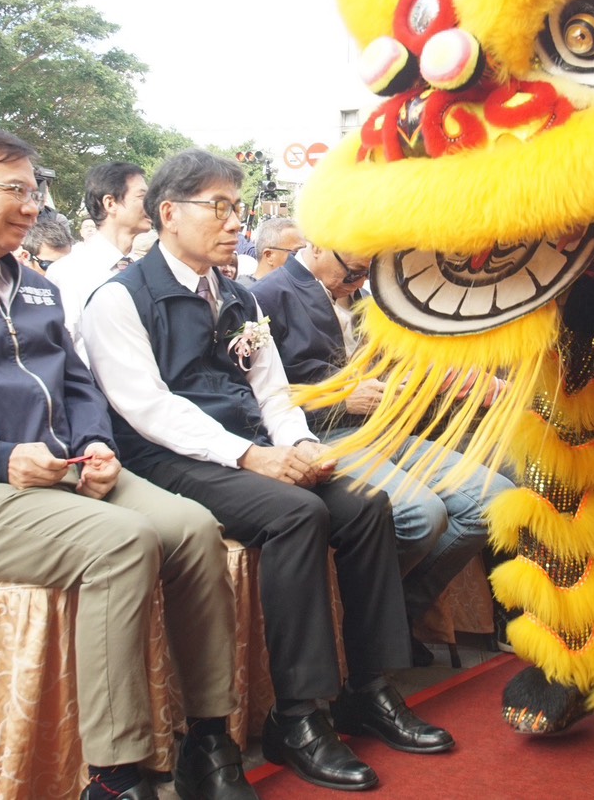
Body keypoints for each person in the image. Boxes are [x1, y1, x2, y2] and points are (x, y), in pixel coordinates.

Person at [0, 129, 251, 800]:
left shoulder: (32, 286)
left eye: (37, 192)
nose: (35, 206)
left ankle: (209, 739)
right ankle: (114, 777)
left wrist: (96, 442)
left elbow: (77, 382)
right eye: (19, 191)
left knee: (193, 527)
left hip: (63, 477)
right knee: (123, 541)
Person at [82, 148, 452, 793]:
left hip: (247, 447)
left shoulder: (239, 295)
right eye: (218, 207)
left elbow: (273, 390)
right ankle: (299, 714)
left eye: (237, 207)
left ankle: (367, 686)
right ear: (169, 214)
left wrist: (301, 445)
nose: (233, 223)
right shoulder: (119, 298)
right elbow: (147, 407)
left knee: (365, 506)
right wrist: (252, 456)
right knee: (295, 514)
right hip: (169, 458)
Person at [253, 241, 515, 664]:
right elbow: (261, 396)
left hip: (383, 429)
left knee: (495, 500)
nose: (358, 280)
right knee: (422, 515)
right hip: (320, 436)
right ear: (318, 244)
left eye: (365, 272)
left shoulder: (364, 297)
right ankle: (377, 632)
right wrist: (339, 400)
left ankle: (393, 619)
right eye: (353, 270)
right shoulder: (269, 296)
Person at [47, 162, 153, 360]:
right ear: (110, 203)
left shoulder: (148, 269)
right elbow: (65, 348)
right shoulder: (67, 273)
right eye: (141, 196)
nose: (151, 203)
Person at [242, 217, 304, 288]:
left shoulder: (294, 290)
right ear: (269, 255)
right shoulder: (244, 295)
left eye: (303, 251)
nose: (302, 257)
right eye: (296, 252)